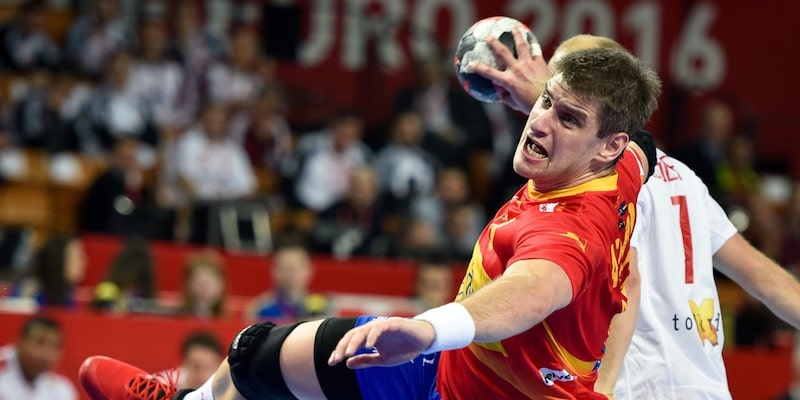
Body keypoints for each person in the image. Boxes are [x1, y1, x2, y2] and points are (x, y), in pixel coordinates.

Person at [78, 46, 661, 400]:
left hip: (469, 389)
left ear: (607, 144)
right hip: (448, 370)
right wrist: (603, 387)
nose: (540, 122)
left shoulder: (566, 233)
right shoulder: (629, 165)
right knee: (256, 355)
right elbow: (626, 280)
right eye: (545, 104)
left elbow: (533, 290)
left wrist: (430, 329)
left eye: (567, 117)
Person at [477, 32, 800, 399]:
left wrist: (602, 391)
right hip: (705, 388)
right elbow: (765, 279)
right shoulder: (682, 175)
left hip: (636, 386)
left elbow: (629, 279)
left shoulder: (603, 180)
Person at [245, 236, 328, 322]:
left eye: (293, 268)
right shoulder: (259, 309)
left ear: (309, 269)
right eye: (283, 268)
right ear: (273, 270)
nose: (288, 274)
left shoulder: (324, 308)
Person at [0, 316, 77, 399]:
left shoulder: (61, 387)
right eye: (40, 343)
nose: (47, 354)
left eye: (55, 346)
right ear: (19, 341)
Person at [12, 234, 87, 309]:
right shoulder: (28, 293)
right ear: (58, 261)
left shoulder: (68, 296)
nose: (85, 261)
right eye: (78, 257)